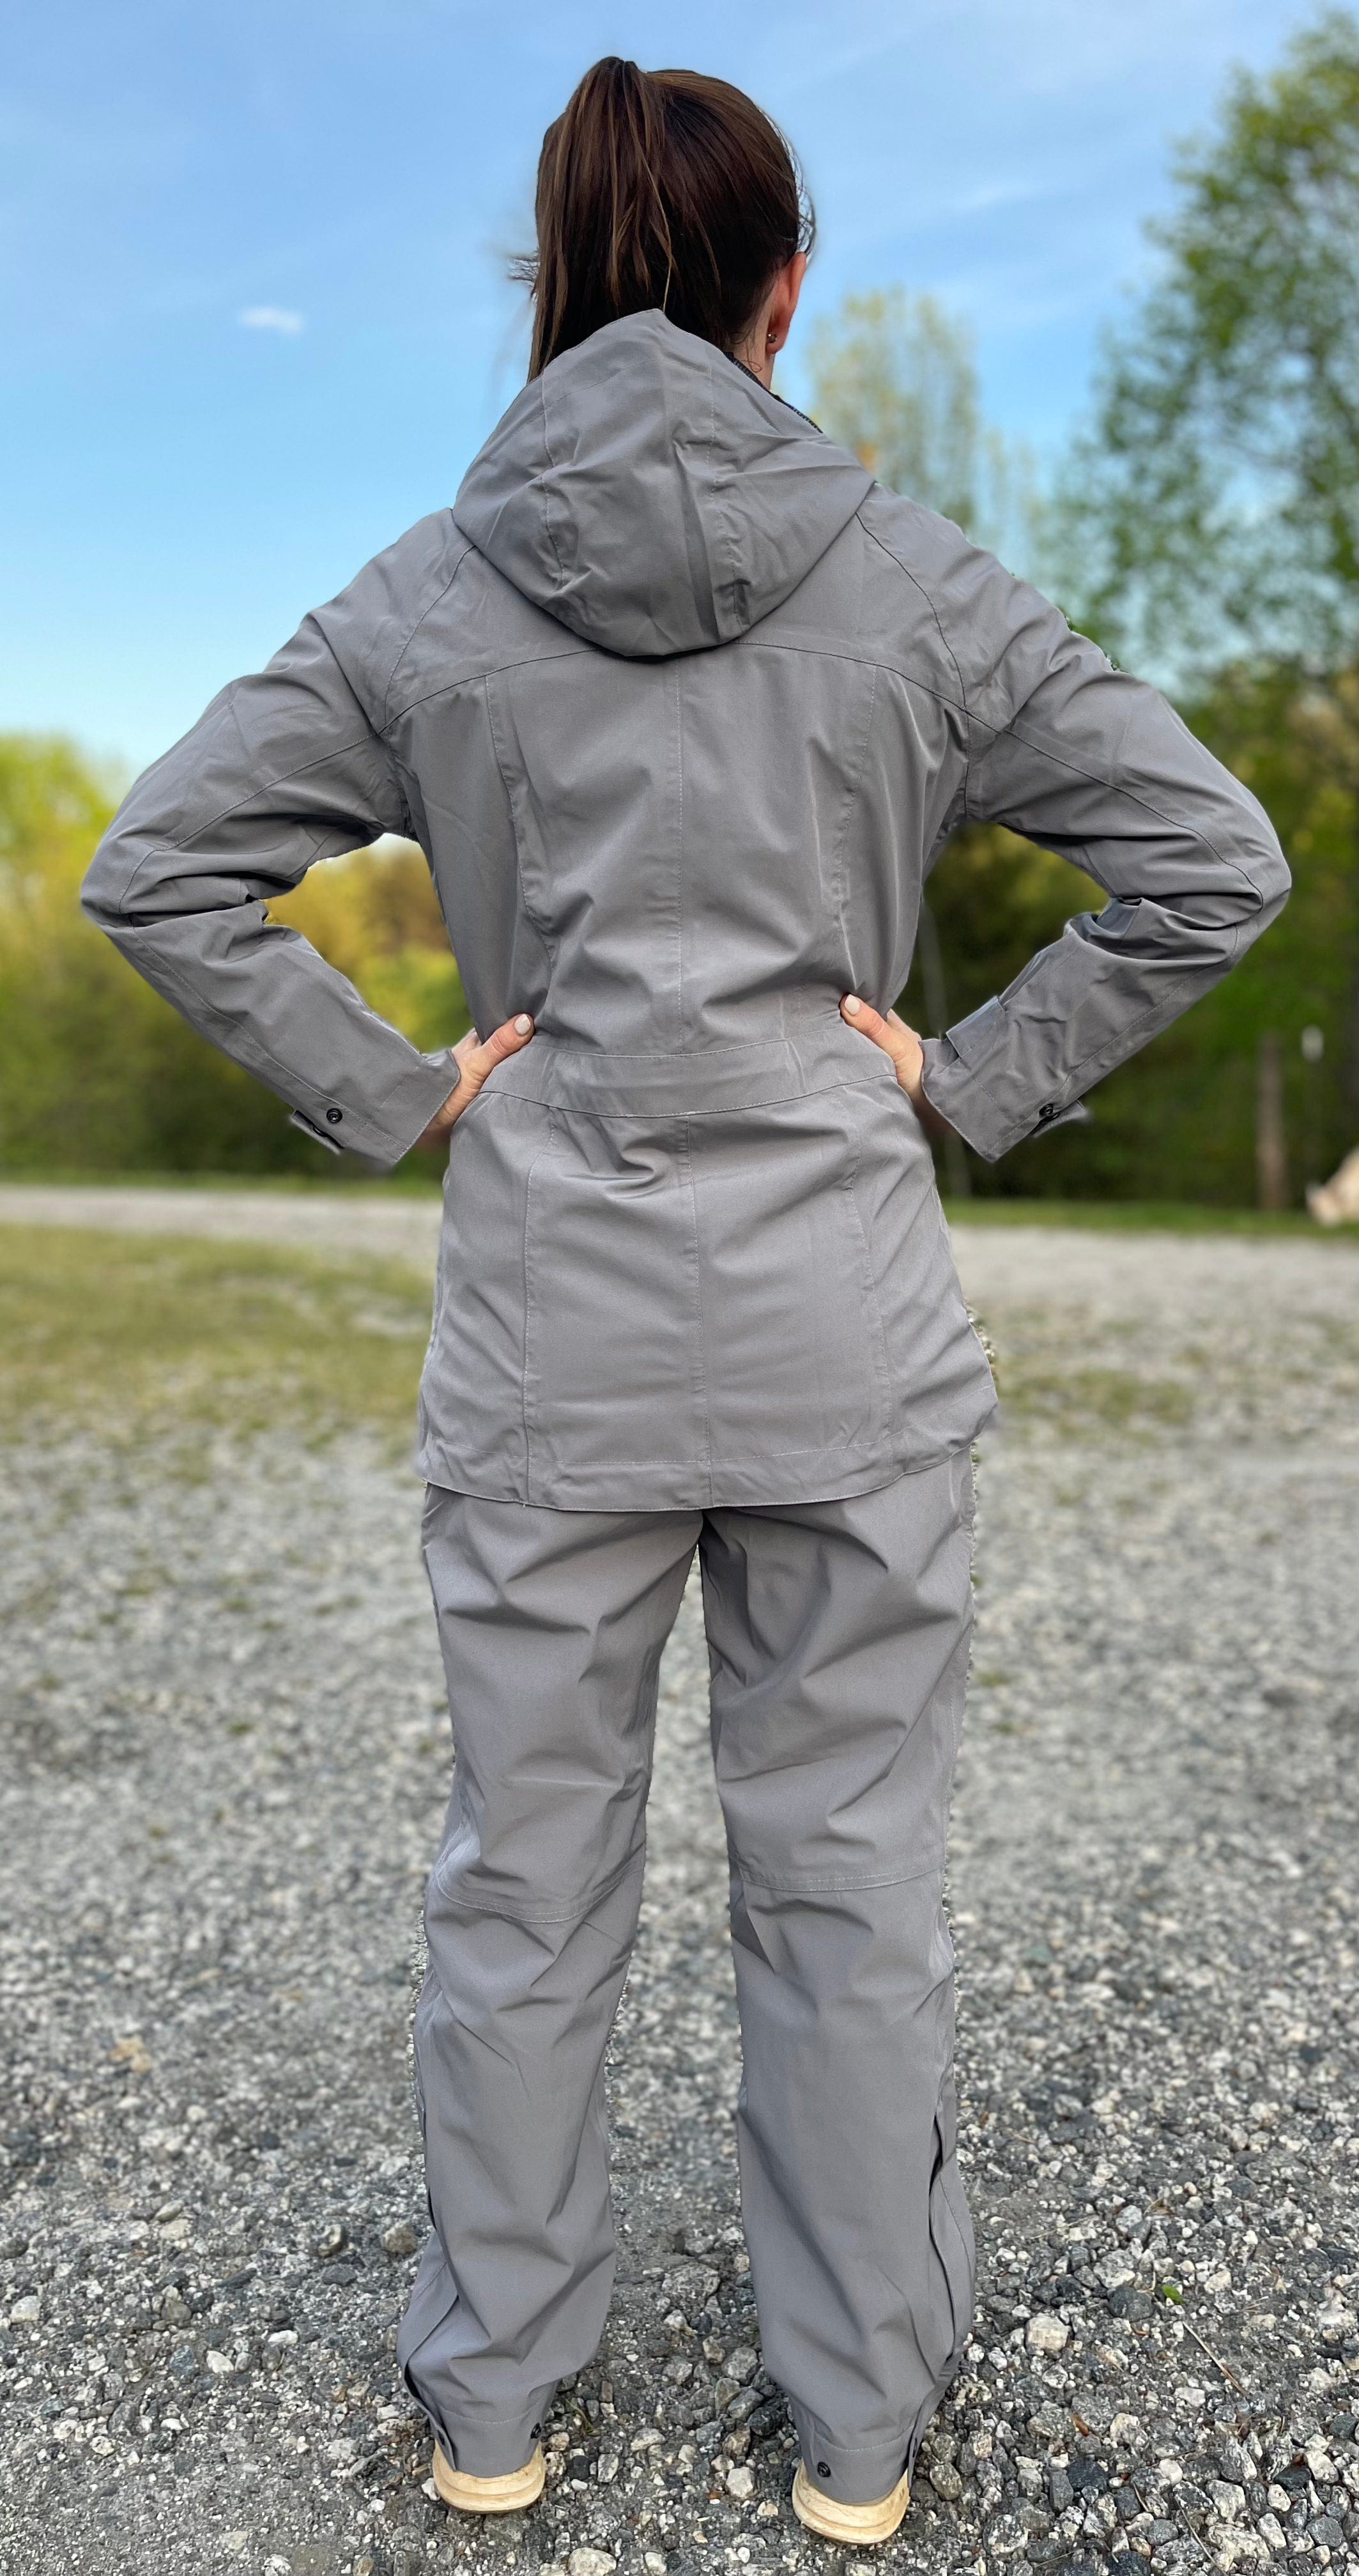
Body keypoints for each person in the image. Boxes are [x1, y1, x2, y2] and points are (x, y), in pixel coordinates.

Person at [81, 56, 1289, 2547]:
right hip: (848, 1338)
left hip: (552, 1346)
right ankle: (856, 2440)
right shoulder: (914, 579)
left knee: (523, 1888)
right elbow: (1212, 855)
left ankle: (494, 2414)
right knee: (846, 1887)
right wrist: (966, 1072)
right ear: (786, 288)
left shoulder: (431, 595)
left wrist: (403, 1086)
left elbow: (157, 867)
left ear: (549, 281)